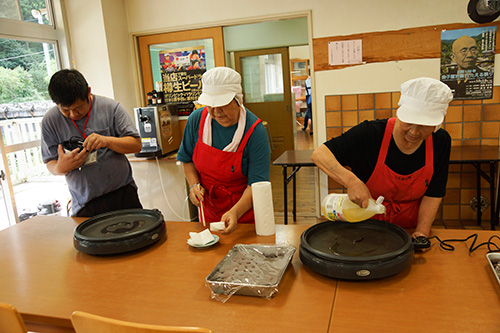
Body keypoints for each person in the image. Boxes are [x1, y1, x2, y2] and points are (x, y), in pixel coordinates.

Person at [311, 77, 453, 238]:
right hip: (365, 225)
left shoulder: (440, 142)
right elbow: (320, 154)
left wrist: (421, 232)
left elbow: (434, 193)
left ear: (437, 124)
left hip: (408, 230)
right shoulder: (371, 133)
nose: (413, 132)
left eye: (423, 125)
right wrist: (352, 181)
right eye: (409, 121)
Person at [177, 67, 271, 234]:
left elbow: (255, 185)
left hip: (243, 214)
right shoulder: (196, 120)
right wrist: (193, 186)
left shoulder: (254, 132)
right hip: (208, 210)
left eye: (222, 104)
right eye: (210, 105)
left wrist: (234, 212)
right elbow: (187, 159)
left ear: (238, 99)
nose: (216, 112)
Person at [41, 69, 143, 217]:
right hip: (85, 202)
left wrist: (107, 140)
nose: (73, 114)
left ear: (88, 92)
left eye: (77, 108)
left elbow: (136, 145)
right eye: (66, 110)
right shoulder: (50, 121)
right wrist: (61, 167)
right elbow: (50, 163)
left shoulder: (110, 108)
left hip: (122, 193)